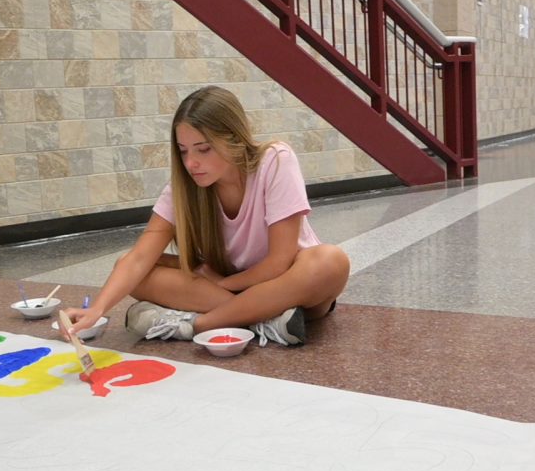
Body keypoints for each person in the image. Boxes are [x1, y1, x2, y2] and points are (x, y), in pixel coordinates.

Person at [60, 86, 349, 346]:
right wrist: (96, 309)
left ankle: (194, 325)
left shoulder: (275, 160)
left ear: (233, 138)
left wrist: (222, 285)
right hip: (234, 287)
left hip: (286, 286)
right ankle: (266, 321)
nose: (191, 163)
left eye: (203, 149)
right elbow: (138, 258)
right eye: (183, 151)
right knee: (127, 265)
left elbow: (279, 262)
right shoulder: (184, 186)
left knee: (330, 262)